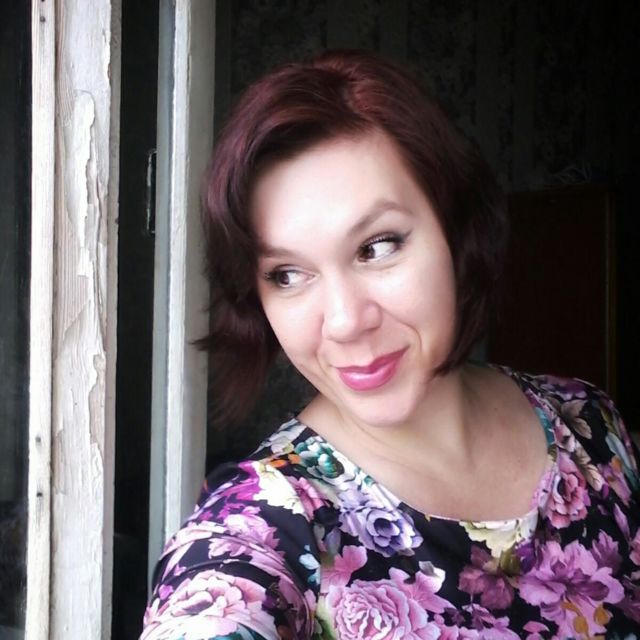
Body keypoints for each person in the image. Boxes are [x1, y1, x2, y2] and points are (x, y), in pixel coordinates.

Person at [140, 50, 640, 639]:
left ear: (455, 228)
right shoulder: (262, 526)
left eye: (376, 247)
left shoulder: (588, 425)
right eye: (288, 274)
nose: (345, 322)